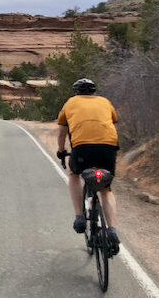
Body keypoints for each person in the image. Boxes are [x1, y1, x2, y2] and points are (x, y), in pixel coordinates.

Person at [57, 78, 121, 254]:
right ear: (94, 91)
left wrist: (61, 151)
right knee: (106, 189)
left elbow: (62, 132)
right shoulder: (105, 102)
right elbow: (113, 123)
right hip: (108, 146)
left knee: (74, 175)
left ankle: (79, 217)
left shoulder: (70, 103)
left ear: (76, 92)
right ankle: (112, 229)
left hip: (82, 148)